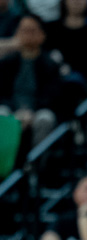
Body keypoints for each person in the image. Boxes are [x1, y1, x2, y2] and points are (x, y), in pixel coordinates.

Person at [0, 14, 60, 149]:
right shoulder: (6, 63)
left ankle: (37, 161)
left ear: (42, 35)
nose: (27, 35)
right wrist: (17, 112)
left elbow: (51, 96)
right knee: (1, 114)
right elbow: (2, 94)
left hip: (38, 110)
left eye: (32, 31)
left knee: (45, 118)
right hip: (12, 108)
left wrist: (30, 112)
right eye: (23, 30)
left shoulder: (50, 64)